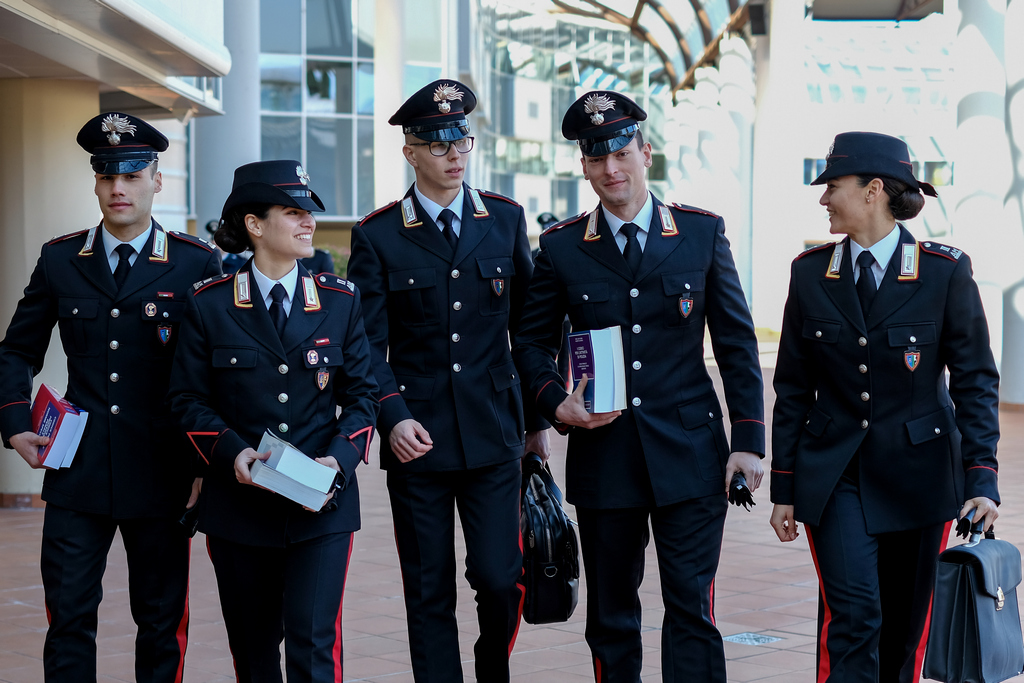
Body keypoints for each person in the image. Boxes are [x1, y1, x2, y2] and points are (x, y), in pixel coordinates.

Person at [513, 91, 765, 682]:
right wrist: (557, 405)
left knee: (690, 610)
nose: (611, 170)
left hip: (692, 455)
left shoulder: (701, 234)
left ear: (645, 153)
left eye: (621, 153)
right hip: (606, 459)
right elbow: (529, 345)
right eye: (596, 159)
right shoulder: (562, 246)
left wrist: (748, 439)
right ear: (583, 166)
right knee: (611, 617)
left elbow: (735, 344)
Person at [768, 132, 1000, 683]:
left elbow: (974, 381)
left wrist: (982, 477)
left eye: (833, 186)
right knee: (854, 618)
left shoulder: (944, 272)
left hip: (920, 477)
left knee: (902, 631)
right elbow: (792, 388)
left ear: (873, 190)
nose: (823, 198)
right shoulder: (809, 273)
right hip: (835, 475)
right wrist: (783, 487)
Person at [0, 112, 221, 682]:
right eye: (105, 176)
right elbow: (16, 350)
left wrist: (206, 463)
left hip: (164, 470)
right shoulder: (60, 259)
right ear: (96, 183)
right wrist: (14, 421)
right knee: (69, 616)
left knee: (161, 619)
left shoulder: (195, 263)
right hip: (79, 469)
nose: (117, 188)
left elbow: (213, 372)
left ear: (157, 180)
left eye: (131, 174)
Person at [347, 79, 548, 683]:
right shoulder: (378, 234)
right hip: (419, 439)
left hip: (494, 433)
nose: (454, 153)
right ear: (409, 152)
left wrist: (537, 423)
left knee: (498, 575)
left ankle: (492, 667)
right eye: (437, 145)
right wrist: (392, 414)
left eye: (462, 139)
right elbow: (365, 346)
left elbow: (528, 332)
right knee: (428, 587)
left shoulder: (506, 219)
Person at [167, 160, 378, 682]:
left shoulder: (339, 301)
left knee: (314, 646)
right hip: (240, 509)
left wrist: (341, 457)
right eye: (293, 212)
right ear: (255, 225)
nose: (308, 222)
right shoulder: (209, 305)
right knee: (255, 653)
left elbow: (364, 397)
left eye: (309, 212)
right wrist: (232, 451)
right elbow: (187, 400)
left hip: (321, 503)